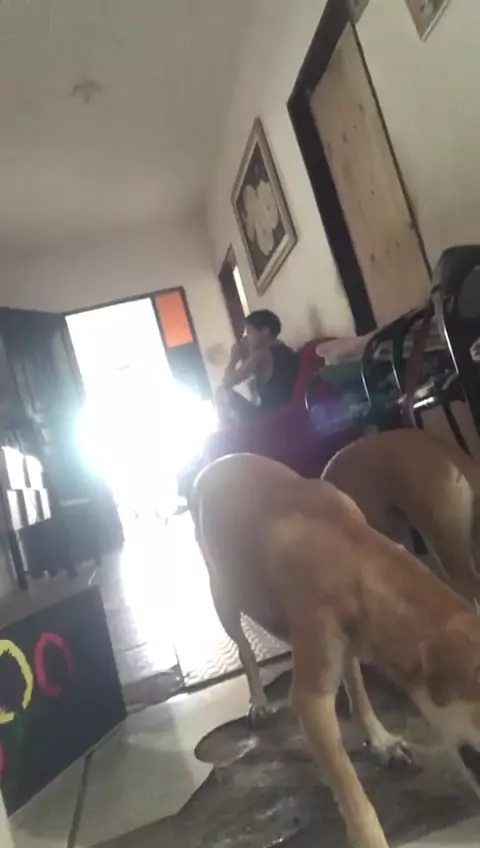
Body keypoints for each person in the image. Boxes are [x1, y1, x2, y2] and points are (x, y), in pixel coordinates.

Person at [216, 310, 300, 425]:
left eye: (249, 332)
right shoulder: (283, 349)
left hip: (272, 416)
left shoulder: (262, 354)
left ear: (265, 332)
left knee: (222, 392)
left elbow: (227, 382)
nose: (246, 338)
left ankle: (230, 432)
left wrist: (233, 359)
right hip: (284, 410)